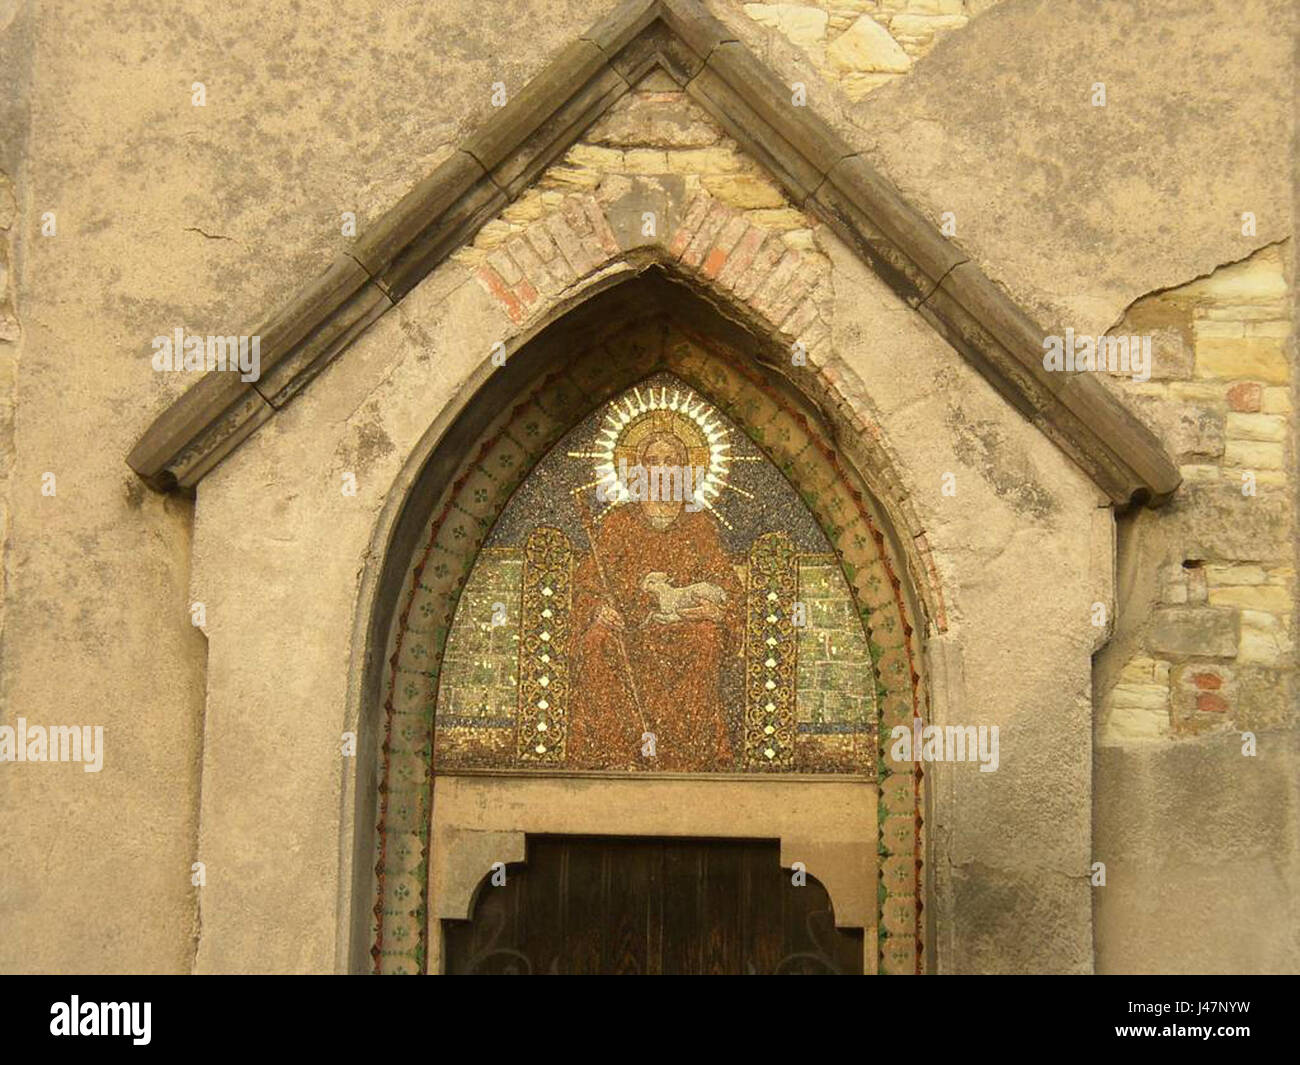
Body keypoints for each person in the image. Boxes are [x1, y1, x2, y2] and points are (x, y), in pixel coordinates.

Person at [568, 431, 742, 771]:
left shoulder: (699, 525)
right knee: (598, 640)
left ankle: (687, 757)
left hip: (684, 629)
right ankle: (613, 754)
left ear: (684, 471)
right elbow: (588, 584)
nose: (661, 470)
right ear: (638, 470)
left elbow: (727, 588)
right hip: (628, 630)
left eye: (670, 462)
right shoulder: (619, 523)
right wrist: (599, 610)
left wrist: (717, 613)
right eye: (652, 462)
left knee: (706, 637)